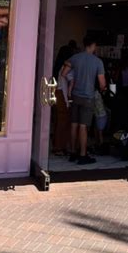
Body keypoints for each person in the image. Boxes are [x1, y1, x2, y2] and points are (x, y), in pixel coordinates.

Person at [61, 34, 106, 165]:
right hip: (88, 97)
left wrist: (73, 80)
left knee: (74, 124)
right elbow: (102, 83)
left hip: (75, 95)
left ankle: (73, 152)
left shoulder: (75, 58)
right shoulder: (97, 62)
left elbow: (64, 73)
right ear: (93, 46)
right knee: (83, 126)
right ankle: (82, 155)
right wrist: (104, 88)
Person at [52, 42, 77, 155]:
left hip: (57, 93)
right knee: (63, 122)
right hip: (63, 94)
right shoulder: (66, 67)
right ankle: (59, 147)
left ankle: (58, 145)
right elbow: (68, 83)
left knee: (59, 121)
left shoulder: (57, 65)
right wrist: (68, 100)